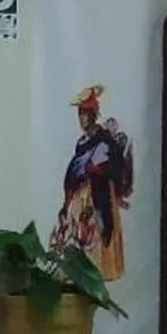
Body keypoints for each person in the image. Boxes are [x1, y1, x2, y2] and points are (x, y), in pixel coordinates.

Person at [49, 84, 133, 281]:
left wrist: (98, 169)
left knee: (96, 230)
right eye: (80, 114)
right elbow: (75, 168)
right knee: (78, 231)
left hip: (99, 193)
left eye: (85, 114)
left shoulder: (104, 140)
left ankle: (101, 271)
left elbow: (115, 165)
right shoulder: (82, 142)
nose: (81, 119)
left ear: (93, 115)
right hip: (81, 193)